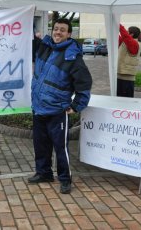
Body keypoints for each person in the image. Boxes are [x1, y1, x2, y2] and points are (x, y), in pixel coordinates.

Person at [29, 18, 92, 194]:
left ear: (69, 34)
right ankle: (44, 173)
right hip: (39, 107)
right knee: (40, 144)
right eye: (56, 29)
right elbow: (26, 39)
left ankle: (65, 179)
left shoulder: (73, 57)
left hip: (57, 110)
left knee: (60, 147)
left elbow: (84, 84)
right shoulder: (44, 46)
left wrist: (77, 105)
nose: (58, 32)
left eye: (62, 30)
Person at [117, 24, 141, 97]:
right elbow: (118, 37)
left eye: (128, 32)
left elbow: (125, 36)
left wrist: (117, 23)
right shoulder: (125, 42)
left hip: (127, 79)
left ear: (132, 34)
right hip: (120, 76)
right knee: (118, 101)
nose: (126, 33)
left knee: (126, 102)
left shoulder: (134, 43)